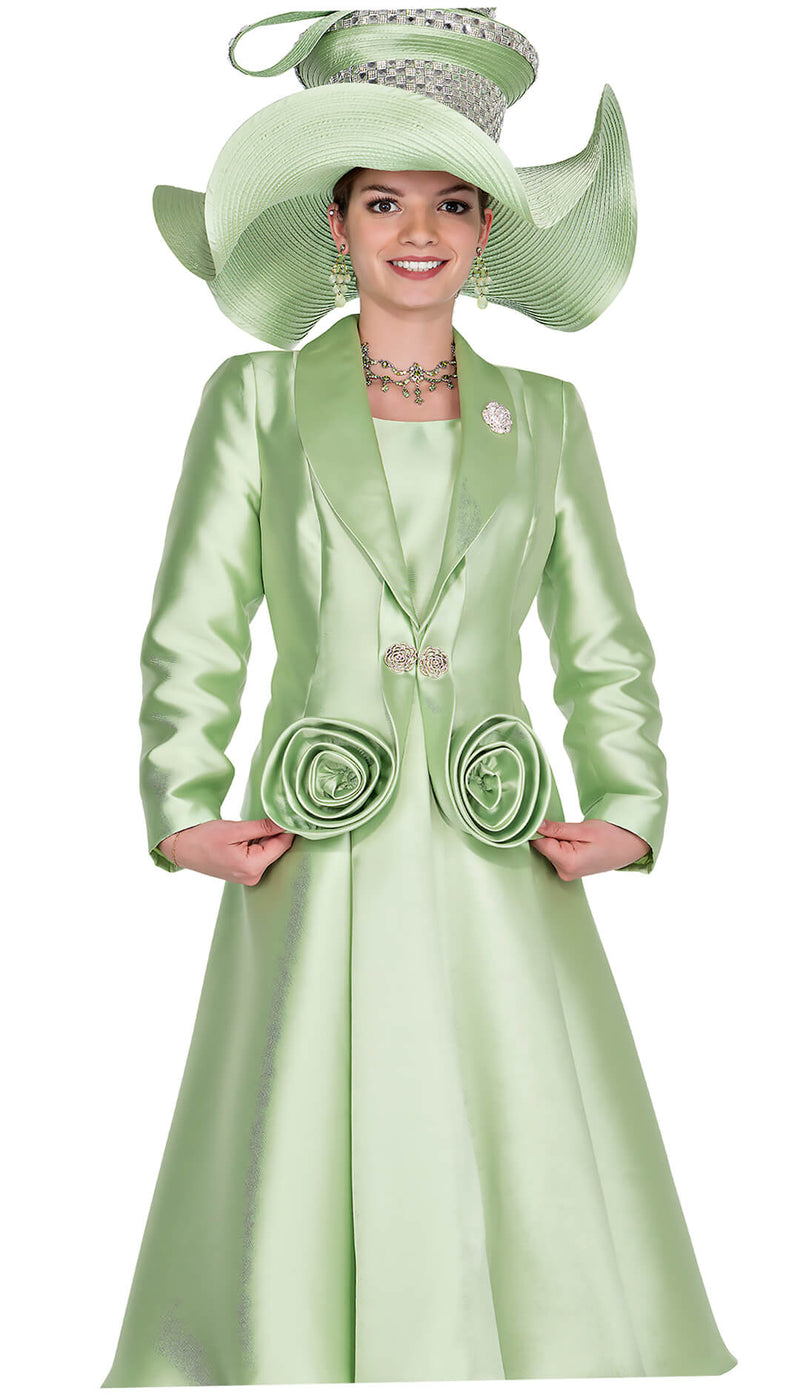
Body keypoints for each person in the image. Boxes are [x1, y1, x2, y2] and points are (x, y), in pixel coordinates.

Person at [101, 7, 737, 1384]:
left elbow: (604, 633)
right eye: (383, 200)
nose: (418, 231)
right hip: (315, 837)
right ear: (335, 225)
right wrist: (182, 802)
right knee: (304, 1114)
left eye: (453, 202)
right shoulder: (257, 401)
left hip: (495, 833)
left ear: (488, 228)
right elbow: (196, 618)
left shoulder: (545, 416)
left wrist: (629, 802)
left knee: (512, 1112)